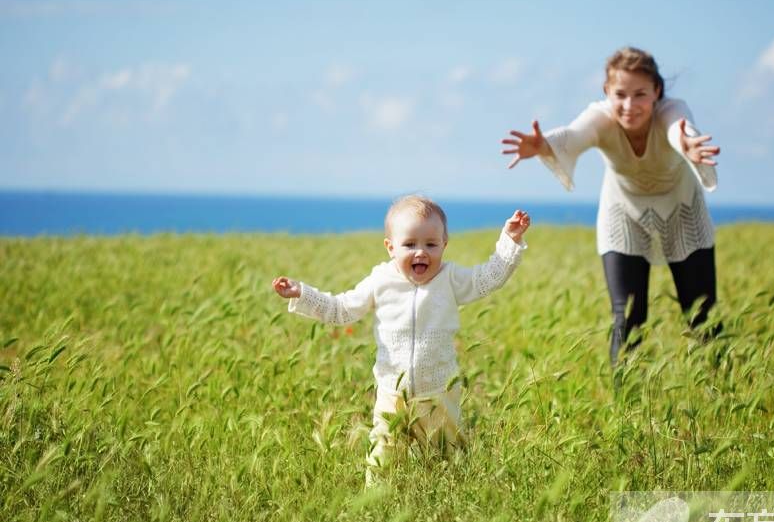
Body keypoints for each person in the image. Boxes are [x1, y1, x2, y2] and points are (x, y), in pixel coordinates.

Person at [272, 195, 530, 485]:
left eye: (431, 244)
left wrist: (510, 240)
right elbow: (342, 309)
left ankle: (454, 504)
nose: (421, 252)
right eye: (409, 245)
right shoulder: (380, 280)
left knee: (449, 460)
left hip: (439, 392)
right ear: (390, 247)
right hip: (391, 393)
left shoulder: (450, 278)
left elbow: (488, 278)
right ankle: (374, 507)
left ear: (444, 244)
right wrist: (302, 294)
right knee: (381, 460)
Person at [502, 46, 721, 366]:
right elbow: (576, 135)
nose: (629, 105)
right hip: (624, 215)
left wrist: (687, 143)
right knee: (627, 317)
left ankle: (719, 387)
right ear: (607, 92)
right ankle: (629, 403)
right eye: (620, 94)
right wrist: (543, 145)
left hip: (682, 211)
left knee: (702, 314)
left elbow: (678, 128)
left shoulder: (673, 111)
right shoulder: (601, 117)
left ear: (656, 91)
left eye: (640, 94)